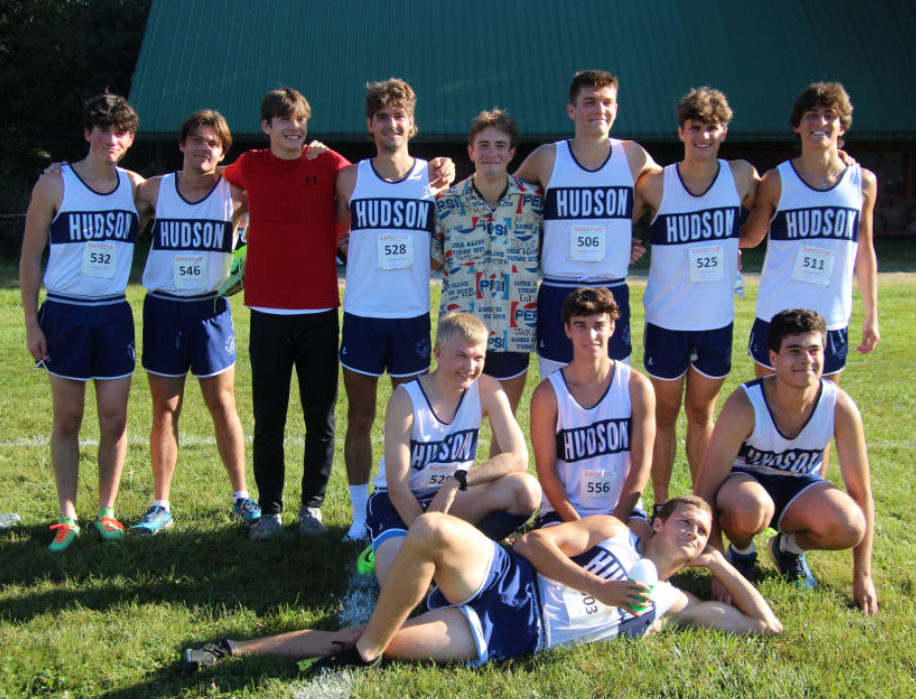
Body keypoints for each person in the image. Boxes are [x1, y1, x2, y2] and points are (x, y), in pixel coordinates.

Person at [183, 496, 782, 672]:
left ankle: (235, 649)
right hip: (510, 575)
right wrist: (594, 588)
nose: (693, 533)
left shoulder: (674, 601)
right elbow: (533, 542)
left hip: (515, 630)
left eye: (702, 532)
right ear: (658, 523)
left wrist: (723, 567)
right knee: (431, 529)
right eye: (685, 521)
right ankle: (389, 566)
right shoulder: (614, 534)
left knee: (370, 637)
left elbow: (764, 626)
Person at [20, 93, 147, 551]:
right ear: (87, 133)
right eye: (102, 129)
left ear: (130, 139)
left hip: (113, 313)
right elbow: (31, 256)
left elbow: (195, 189)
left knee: (114, 420)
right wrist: (32, 323)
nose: (110, 138)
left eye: (120, 131)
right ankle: (67, 513)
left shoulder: (136, 187)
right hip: (66, 313)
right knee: (68, 418)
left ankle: (107, 510)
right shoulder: (54, 184)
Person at [222, 88, 350, 541]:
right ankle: (271, 510)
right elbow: (203, 176)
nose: (294, 129)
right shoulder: (251, 164)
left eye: (300, 121)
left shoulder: (328, 163)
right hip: (268, 314)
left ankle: (311, 506)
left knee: (322, 417)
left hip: (319, 311)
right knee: (269, 417)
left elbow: (374, 179)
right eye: (284, 121)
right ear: (267, 126)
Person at [694, 309, 878, 614]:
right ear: (774, 358)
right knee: (753, 508)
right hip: (745, 488)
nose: (806, 359)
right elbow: (706, 488)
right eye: (794, 351)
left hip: (798, 489)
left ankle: (789, 549)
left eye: (814, 350)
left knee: (850, 524)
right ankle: (741, 552)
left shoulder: (839, 405)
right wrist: (718, 566)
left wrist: (863, 576)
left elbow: (861, 494)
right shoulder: (746, 402)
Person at [128, 110, 259, 534]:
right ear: (182, 144)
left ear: (223, 152)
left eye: (214, 143)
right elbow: (106, 187)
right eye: (197, 140)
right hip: (164, 308)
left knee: (222, 405)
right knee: (165, 409)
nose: (205, 148)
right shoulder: (154, 190)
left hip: (210, 311)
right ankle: (161, 503)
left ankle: (242, 496)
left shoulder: (236, 195)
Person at [336, 78, 455, 541]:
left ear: (413, 123)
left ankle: (401, 500)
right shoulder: (349, 178)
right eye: (382, 116)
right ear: (370, 125)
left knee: (411, 420)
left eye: (399, 115)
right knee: (361, 416)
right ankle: (358, 513)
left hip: (411, 318)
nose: (392, 124)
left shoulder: (434, 177)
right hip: (363, 316)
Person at [633, 88, 759, 509]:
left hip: (715, 319)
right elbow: (623, 220)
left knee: (702, 414)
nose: (703, 136)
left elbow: (775, 199)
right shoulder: (656, 184)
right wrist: (633, 241)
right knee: (665, 416)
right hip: (667, 320)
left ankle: (703, 503)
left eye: (712, 128)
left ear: (724, 131)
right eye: (695, 128)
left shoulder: (741, 175)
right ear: (681, 131)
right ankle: (664, 504)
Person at [365, 312, 540, 586]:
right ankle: (393, 546)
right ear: (438, 353)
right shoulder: (406, 399)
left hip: (450, 497)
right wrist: (427, 536)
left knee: (526, 490)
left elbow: (519, 457)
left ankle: (468, 546)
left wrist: (457, 481)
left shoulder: (487, 389)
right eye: (461, 356)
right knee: (404, 586)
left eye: (478, 358)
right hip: (400, 504)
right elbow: (398, 489)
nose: (470, 366)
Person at [515, 69, 660, 376]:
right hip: (559, 288)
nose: (599, 110)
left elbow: (675, 195)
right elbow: (505, 199)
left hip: (611, 289)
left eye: (607, 102)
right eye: (590, 102)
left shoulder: (632, 155)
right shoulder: (547, 157)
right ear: (572, 110)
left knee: (612, 388)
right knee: (556, 388)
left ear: (616, 108)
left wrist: (626, 229)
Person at [741, 82, 879, 382]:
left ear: (842, 126)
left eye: (830, 115)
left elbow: (864, 252)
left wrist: (872, 315)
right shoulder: (777, 180)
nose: (821, 122)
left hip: (831, 316)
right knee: (767, 409)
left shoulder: (862, 183)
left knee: (822, 411)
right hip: (776, 314)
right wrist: (725, 246)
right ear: (797, 126)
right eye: (811, 115)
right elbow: (751, 236)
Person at [433, 108, 542, 428]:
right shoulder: (447, 202)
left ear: (511, 153)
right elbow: (428, 257)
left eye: (499, 145)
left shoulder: (535, 202)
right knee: (451, 424)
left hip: (513, 329)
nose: (490, 152)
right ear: (470, 151)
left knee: (503, 424)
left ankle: (497, 480)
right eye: (483, 145)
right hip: (459, 331)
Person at [529, 288, 654, 538]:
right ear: (567, 329)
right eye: (580, 326)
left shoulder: (636, 386)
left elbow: (641, 464)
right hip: (564, 511)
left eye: (599, 325)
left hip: (622, 510)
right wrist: (581, 529)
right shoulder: (548, 394)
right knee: (549, 560)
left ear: (612, 327)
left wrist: (615, 523)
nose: (591, 335)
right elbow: (547, 471)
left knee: (648, 560)